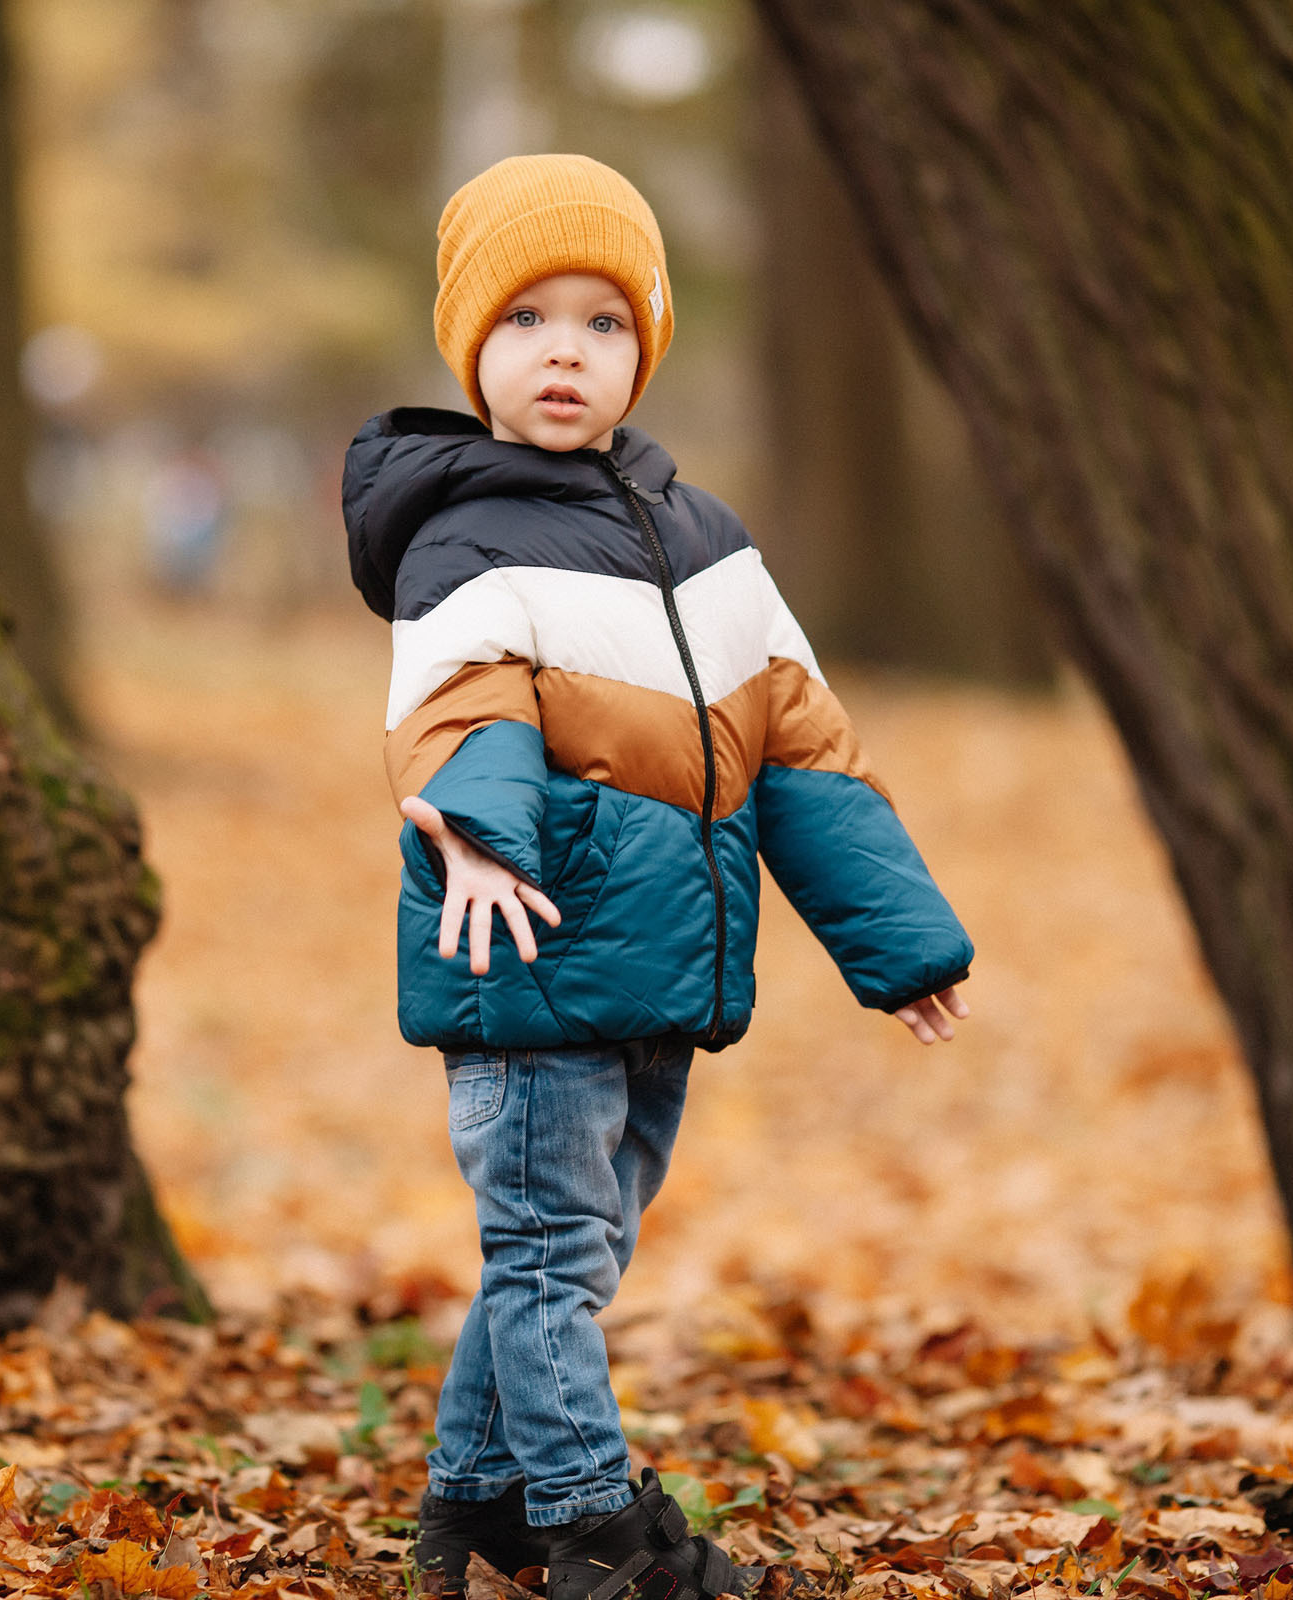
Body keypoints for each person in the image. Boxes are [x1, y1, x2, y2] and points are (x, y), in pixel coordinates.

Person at [339, 153, 975, 1600]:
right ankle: (591, 1531)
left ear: (647, 347)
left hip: (661, 972)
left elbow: (800, 749)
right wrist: (481, 835)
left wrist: (901, 943)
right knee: (554, 1257)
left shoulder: (710, 546)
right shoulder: (465, 530)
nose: (565, 349)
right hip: (532, 953)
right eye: (528, 319)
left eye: (603, 322)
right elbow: (461, 701)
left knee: (564, 1257)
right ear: (472, 346)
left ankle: (472, 1507)